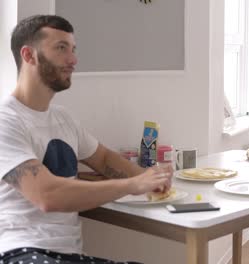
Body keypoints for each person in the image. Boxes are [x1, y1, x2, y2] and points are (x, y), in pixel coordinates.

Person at [0, 15, 173, 264]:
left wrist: (150, 179)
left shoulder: (63, 118)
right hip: (21, 252)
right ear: (29, 55)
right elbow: (48, 196)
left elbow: (102, 158)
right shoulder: (6, 120)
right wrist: (132, 185)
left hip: (69, 255)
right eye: (61, 48)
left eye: (73, 49)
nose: (73, 60)